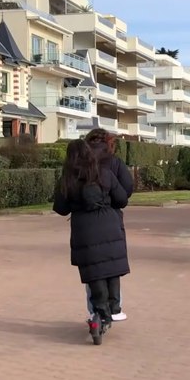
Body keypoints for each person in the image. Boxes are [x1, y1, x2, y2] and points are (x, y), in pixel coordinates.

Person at [52, 138, 130, 345]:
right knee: (111, 267)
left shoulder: (68, 179)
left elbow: (60, 208)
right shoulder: (105, 174)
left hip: (84, 229)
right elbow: (122, 199)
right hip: (109, 224)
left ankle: (99, 313)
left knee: (93, 271)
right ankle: (113, 308)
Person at [83, 128, 134, 321]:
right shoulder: (115, 163)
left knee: (92, 266)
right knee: (112, 262)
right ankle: (114, 307)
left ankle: (94, 309)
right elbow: (126, 190)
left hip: (84, 222)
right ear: (109, 144)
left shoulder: (79, 164)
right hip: (111, 217)